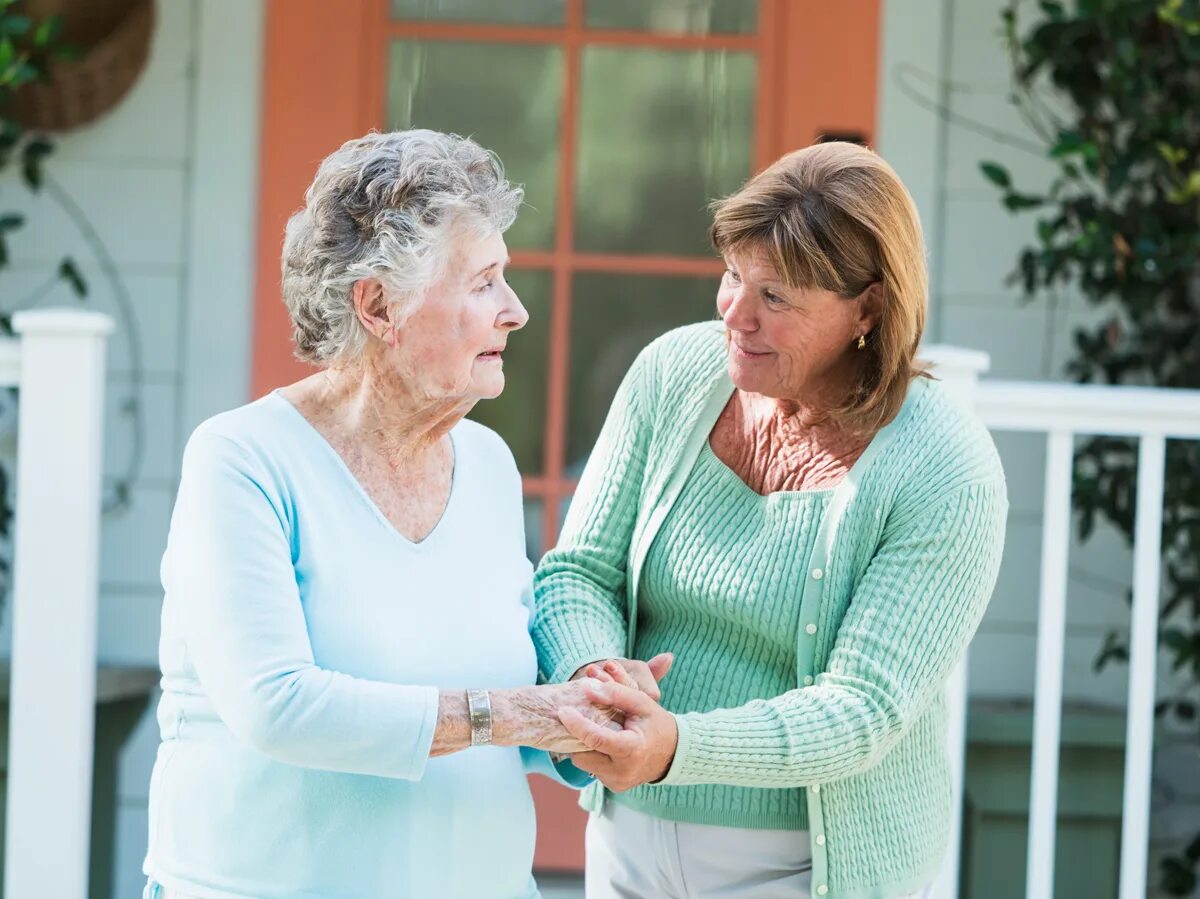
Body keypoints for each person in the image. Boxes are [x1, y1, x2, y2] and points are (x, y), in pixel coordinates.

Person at [142, 129, 651, 899]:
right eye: (483, 282)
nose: (514, 311)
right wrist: (519, 712)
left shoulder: (485, 466)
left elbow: (498, 697)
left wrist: (583, 723)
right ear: (379, 304)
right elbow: (278, 705)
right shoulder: (243, 460)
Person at [533, 141, 1008, 899]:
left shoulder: (945, 465)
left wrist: (678, 747)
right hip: (628, 834)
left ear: (870, 308)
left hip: (809, 865)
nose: (735, 314)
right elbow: (578, 569)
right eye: (732, 275)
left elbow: (863, 708)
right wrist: (597, 673)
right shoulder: (672, 373)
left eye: (776, 298)